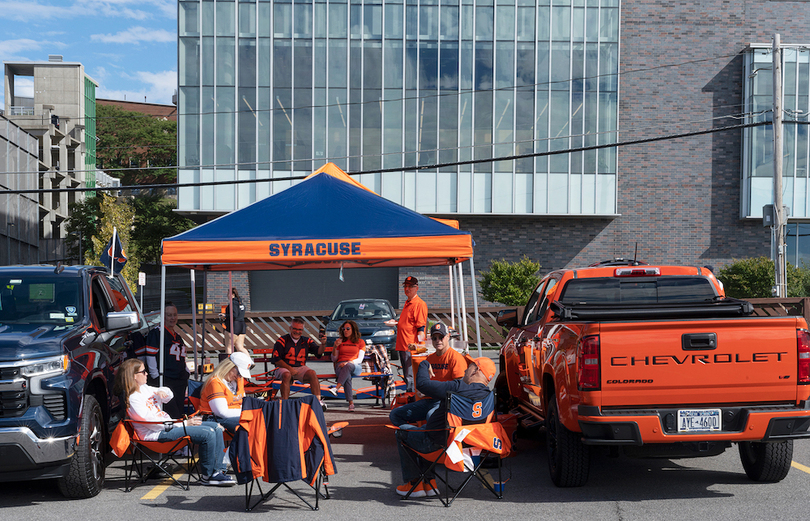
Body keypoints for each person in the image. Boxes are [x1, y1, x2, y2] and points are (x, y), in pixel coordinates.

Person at [113, 358, 235, 486]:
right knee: (208, 432)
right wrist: (184, 424)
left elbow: (168, 393)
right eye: (143, 372)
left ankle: (218, 472)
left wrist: (163, 392)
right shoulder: (133, 399)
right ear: (134, 376)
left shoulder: (145, 389)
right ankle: (208, 475)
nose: (147, 374)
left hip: (168, 426)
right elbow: (153, 424)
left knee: (216, 427)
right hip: (156, 434)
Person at [394, 355, 496, 497]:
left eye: (469, 367)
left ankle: (414, 484)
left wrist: (424, 364)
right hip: (469, 449)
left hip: (439, 447)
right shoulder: (489, 397)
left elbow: (423, 384)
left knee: (402, 432)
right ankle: (430, 484)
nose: (466, 371)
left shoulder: (457, 387)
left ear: (476, 370)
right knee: (426, 430)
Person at [389, 322, 466, 426]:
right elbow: (424, 383)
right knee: (395, 414)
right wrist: (423, 392)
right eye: (434, 338)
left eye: (441, 337)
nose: (438, 341)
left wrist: (432, 392)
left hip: (446, 402)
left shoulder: (456, 358)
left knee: (431, 416)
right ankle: (414, 435)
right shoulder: (430, 358)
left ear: (448, 337)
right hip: (429, 400)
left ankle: (427, 438)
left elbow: (460, 388)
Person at [142, 302, 188, 418]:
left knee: (180, 411)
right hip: (166, 379)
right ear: (163, 316)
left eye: (174, 315)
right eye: (169, 315)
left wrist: (186, 371)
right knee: (172, 413)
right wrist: (155, 375)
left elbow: (182, 356)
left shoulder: (177, 335)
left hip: (179, 379)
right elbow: (151, 356)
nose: (172, 318)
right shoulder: (157, 333)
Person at [272, 318, 327, 404]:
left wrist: (323, 344)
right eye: (295, 328)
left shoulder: (306, 341)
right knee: (287, 375)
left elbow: (318, 352)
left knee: (312, 373)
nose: (297, 331)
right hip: (283, 367)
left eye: (300, 329)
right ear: (290, 328)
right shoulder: (282, 340)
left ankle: (318, 401)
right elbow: (276, 359)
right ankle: (285, 403)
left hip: (300, 367)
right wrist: (290, 369)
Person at [200, 352, 253, 433]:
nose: (239, 376)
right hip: (212, 419)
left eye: (241, 375)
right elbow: (222, 412)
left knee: (258, 420)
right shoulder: (215, 382)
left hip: (232, 416)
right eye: (239, 373)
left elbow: (243, 403)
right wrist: (247, 411)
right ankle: (239, 446)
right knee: (248, 423)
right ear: (229, 366)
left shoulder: (238, 380)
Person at [393, 276, 427, 392]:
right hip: (403, 345)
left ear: (416, 288)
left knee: (410, 374)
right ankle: (411, 394)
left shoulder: (419, 304)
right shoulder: (408, 303)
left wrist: (421, 346)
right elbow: (409, 323)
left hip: (411, 346)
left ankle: (413, 396)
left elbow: (420, 327)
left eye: (410, 286)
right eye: (405, 286)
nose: (407, 289)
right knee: (407, 374)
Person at [330, 320, 366, 412]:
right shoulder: (340, 342)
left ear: (353, 330)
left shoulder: (360, 342)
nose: (345, 330)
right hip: (340, 366)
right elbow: (334, 359)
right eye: (343, 329)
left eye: (348, 329)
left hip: (355, 365)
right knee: (347, 376)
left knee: (348, 367)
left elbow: (360, 359)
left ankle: (336, 388)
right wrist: (335, 346)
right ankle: (351, 404)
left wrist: (348, 362)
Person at [222, 288, 249, 356]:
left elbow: (234, 315)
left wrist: (225, 315)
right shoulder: (240, 303)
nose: (227, 296)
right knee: (240, 347)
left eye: (228, 294)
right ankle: (250, 362)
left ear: (232, 294)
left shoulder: (233, 303)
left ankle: (229, 366)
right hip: (242, 325)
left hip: (234, 325)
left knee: (229, 347)